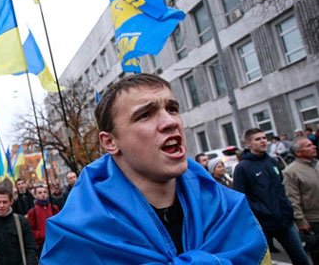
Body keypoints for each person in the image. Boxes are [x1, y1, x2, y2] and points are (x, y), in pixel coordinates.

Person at [41, 74, 269, 264]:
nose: (170, 122)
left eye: (172, 108)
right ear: (110, 142)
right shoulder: (79, 234)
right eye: (145, 115)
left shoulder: (227, 208)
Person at [234, 128, 309, 264]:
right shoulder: (243, 168)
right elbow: (241, 197)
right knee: (264, 261)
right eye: (258, 139)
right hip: (263, 225)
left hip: (285, 221)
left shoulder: (272, 162)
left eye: (264, 137)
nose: (263, 141)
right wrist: (262, 211)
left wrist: (288, 210)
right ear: (248, 143)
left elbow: (282, 188)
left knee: (300, 257)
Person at [284, 137, 319, 263]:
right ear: (298, 152)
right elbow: (292, 198)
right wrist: (300, 220)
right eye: (309, 145)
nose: (314, 146)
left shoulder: (317, 164)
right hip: (313, 220)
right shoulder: (291, 171)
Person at [27, 184, 59, 257]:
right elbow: (31, 230)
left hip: (55, 242)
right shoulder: (32, 212)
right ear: (35, 195)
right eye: (40, 193)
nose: (43, 194)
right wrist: (40, 234)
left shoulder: (54, 208)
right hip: (42, 245)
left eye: (45, 192)